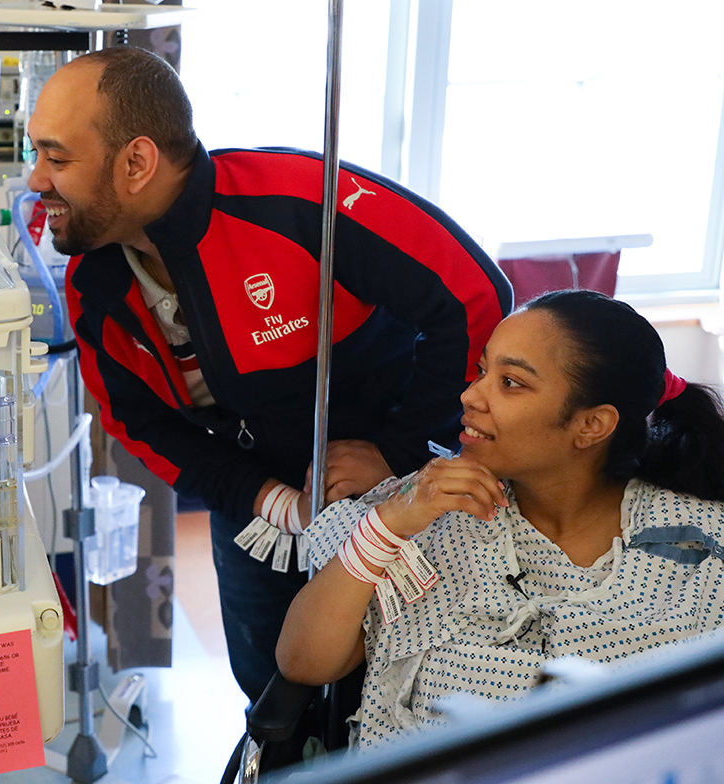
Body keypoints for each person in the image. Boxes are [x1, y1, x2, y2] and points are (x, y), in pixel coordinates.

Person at [25, 45, 513, 706]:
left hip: (391, 489)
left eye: (57, 158)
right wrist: (257, 496)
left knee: (397, 688)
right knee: (274, 691)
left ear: (136, 162)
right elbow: (138, 424)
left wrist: (398, 451)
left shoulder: (296, 205)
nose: (36, 179)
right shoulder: (97, 286)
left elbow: (471, 294)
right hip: (252, 504)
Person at [277, 289, 724, 748]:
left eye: (511, 382)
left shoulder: (701, 545)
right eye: (481, 371)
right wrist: (387, 525)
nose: (470, 395)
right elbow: (302, 662)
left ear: (591, 425)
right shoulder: (424, 516)